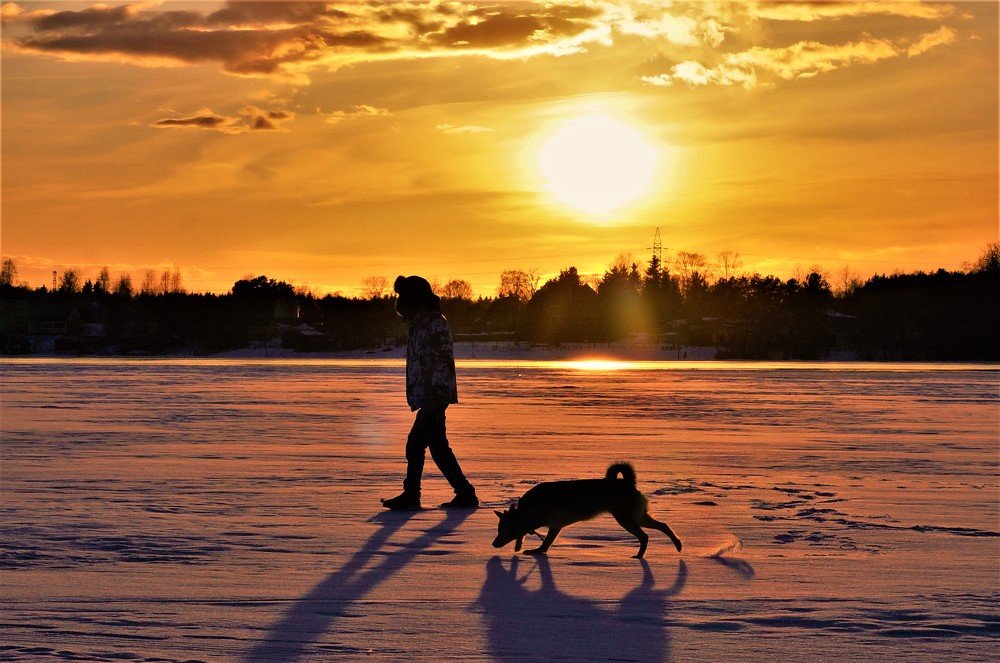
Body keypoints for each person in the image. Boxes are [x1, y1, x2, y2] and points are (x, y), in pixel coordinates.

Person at [382, 275, 478, 510]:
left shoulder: (433, 322)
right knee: (438, 447)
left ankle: (412, 495)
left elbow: (442, 361)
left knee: (415, 444)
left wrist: (436, 397)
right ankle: (465, 493)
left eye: (403, 297)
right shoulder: (420, 322)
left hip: (435, 396)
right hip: (430, 395)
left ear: (415, 299)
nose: (400, 302)